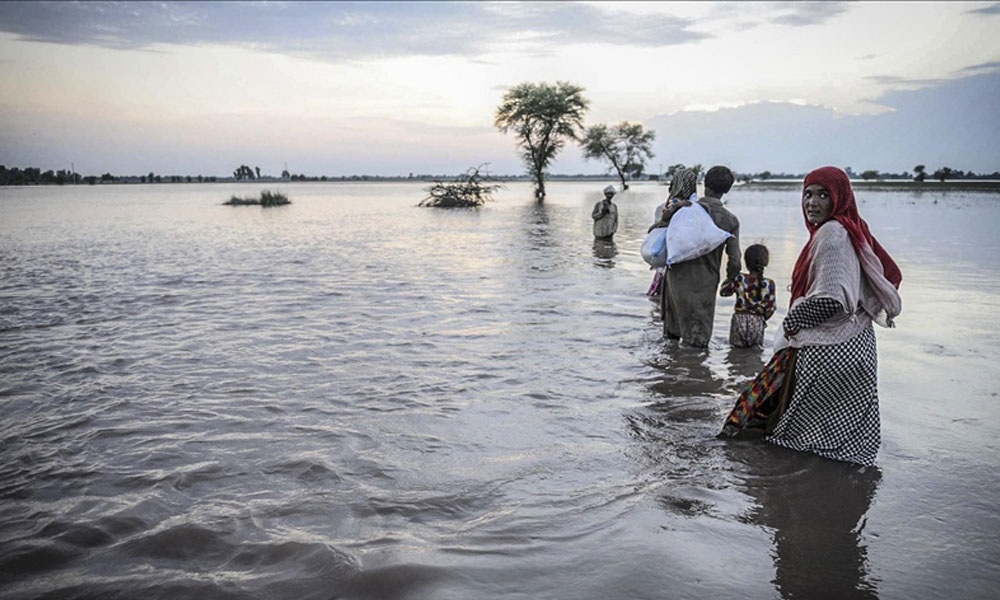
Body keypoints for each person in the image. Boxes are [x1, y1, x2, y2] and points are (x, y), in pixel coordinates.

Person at [721, 166, 902, 466]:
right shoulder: (848, 229)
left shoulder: (832, 234)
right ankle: (834, 492)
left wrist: (791, 323)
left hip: (829, 348)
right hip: (854, 345)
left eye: (822, 195)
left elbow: (832, 299)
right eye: (808, 194)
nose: (812, 203)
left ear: (839, 199)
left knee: (797, 435)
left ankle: (797, 494)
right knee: (839, 435)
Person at [656, 165, 741, 347]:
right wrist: (730, 280)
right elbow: (735, 261)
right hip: (704, 286)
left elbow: (657, 232)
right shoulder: (731, 220)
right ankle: (696, 374)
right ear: (727, 190)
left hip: (675, 284)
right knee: (697, 344)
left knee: (671, 340)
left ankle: (666, 375)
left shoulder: (683, 209)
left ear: (705, 185)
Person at [646, 168, 698, 297]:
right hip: (684, 266)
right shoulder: (695, 208)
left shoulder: (690, 207)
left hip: (669, 264)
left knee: (661, 303)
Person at [720, 243, 776, 348]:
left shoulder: (739, 278)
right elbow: (770, 309)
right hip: (757, 322)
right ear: (765, 263)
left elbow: (724, 292)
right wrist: (762, 320)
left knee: (735, 352)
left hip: (739, 320)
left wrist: (730, 276)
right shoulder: (770, 284)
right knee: (755, 354)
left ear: (746, 263)